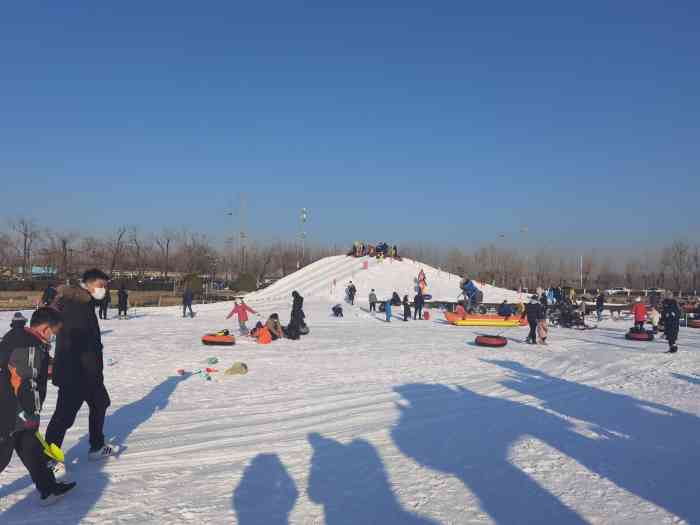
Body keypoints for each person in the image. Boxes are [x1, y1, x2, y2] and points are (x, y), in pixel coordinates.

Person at [0, 307, 77, 505]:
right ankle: (48, 488)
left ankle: (48, 489)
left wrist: (47, 367)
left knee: (29, 447)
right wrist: (31, 414)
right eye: (53, 333)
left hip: (10, 403)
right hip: (11, 409)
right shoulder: (30, 348)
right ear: (44, 329)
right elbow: (27, 383)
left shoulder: (22, 338)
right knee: (3, 452)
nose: (53, 337)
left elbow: (17, 368)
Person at [46, 268, 117, 466]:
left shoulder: (85, 303)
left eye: (105, 286)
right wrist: (84, 370)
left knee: (100, 403)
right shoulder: (75, 306)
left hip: (90, 372)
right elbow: (72, 343)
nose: (103, 289)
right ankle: (49, 459)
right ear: (88, 284)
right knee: (63, 417)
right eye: (100, 286)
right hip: (76, 373)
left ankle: (97, 446)